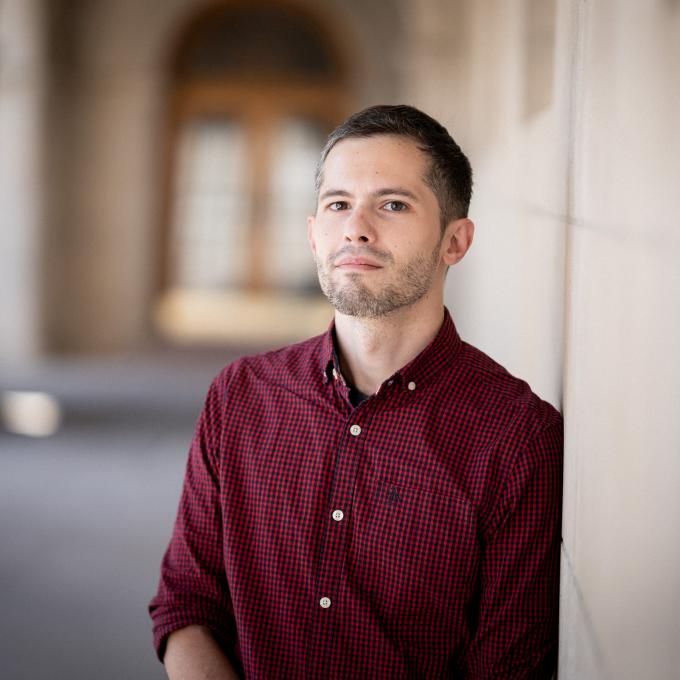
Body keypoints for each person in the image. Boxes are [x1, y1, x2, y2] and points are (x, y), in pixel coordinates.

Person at [149, 104, 563, 679]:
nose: (357, 228)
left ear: (455, 242)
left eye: (393, 205)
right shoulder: (240, 396)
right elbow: (187, 604)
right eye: (338, 204)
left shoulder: (518, 436)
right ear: (314, 233)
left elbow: (508, 667)